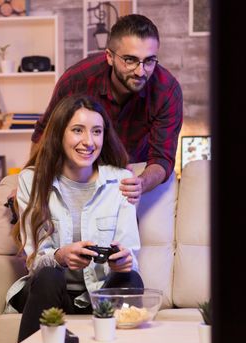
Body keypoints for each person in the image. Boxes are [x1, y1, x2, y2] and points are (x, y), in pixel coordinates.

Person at [5, 94, 144, 343]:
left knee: (131, 278)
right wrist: (59, 257)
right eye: (77, 130)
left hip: (99, 296)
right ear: (59, 134)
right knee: (49, 275)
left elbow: (130, 254)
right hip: (51, 292)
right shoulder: (31, 181)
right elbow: (34, 260)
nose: (88, 141)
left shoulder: (120, 181)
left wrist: (124, 261)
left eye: (97, 131)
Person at [31, 14, 183, 204]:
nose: (140, 71)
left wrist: (141, 183)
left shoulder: (167, 90)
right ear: (110, 57)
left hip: (135, 171)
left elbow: (162, 158)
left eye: (149, 60)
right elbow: (44, 134)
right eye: (130, 60)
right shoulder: (77, 80)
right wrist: (32, 183)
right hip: (81, 169)